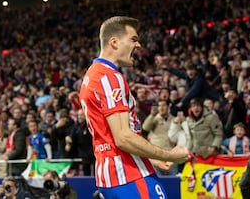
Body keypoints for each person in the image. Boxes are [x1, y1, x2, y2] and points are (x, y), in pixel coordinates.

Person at [78, 16, 189, 199]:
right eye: (133, 39)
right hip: (130, 175)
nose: (138, 45)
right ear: (114, 42)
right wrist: (169, 155)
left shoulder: (91, 75)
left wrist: (153, 158)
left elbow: (109, 136)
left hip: (110, 176)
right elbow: (123, 138)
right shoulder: (110, 78)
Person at [142, 99, 177, 176]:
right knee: (158, 184)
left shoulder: (174, 119)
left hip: (170, 158)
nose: (161, 108)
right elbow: (145, 127)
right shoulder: (153, 118)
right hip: (156, 158)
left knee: (173, 184)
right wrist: (152, 115)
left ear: (168, 106)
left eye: (163, 105)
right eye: (159, 105)